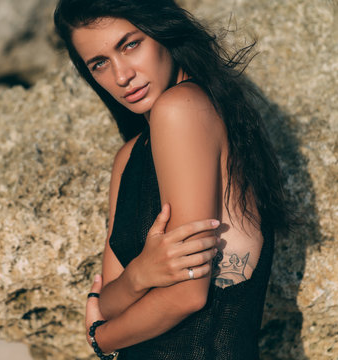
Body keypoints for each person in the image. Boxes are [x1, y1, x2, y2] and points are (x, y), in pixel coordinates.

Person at [54, 0, 292, 359]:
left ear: (162, 30)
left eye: (130, 44)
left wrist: (100, 339)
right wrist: (140, 274)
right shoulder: (129, 156)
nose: (121, 76)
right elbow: (108, 301)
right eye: (99, 64)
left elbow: (187, 294)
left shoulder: (181, 109)